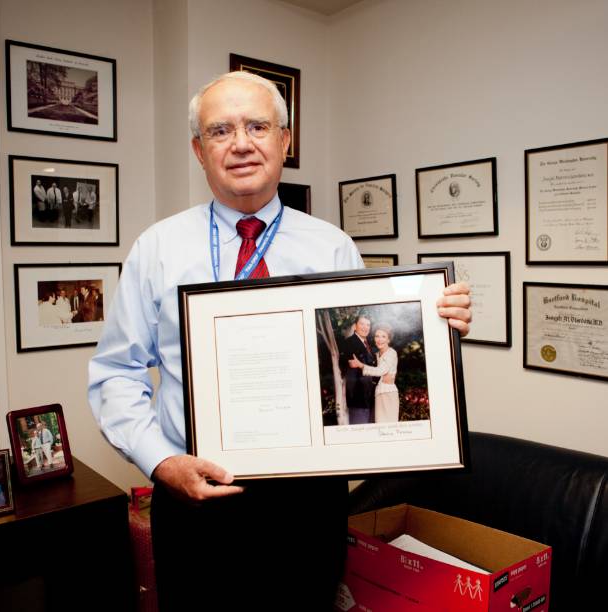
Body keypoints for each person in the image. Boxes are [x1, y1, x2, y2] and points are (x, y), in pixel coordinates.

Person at [88, 71, 471, 611]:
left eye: (257, 126)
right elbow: (115, 374)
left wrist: (438, 325)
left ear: (284, 142)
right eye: (220, 131)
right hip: (195, 501)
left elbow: (371, 340)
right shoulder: (157, 249)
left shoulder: (333, 246)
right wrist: (160, 463)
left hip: (306, 511)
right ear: (199, 150)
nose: (241, 143)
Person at [352, 323, 399, 422]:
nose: (379, 339)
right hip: (378, 393)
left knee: (390, 427)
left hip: (389, 394)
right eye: (377, 336)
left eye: (383, 336)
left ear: (388, 340)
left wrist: (360, 365)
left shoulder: (391, 353)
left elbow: (380, 371)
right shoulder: (376, 355)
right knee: (379, 425)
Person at [341, 314, 378, 423]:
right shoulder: (349, 343)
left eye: (368, 325)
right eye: (362, 324)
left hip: (370, 397)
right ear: (355, 326)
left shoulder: (369, 345)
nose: (365, 327)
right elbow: (348, 367)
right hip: (358, 398)